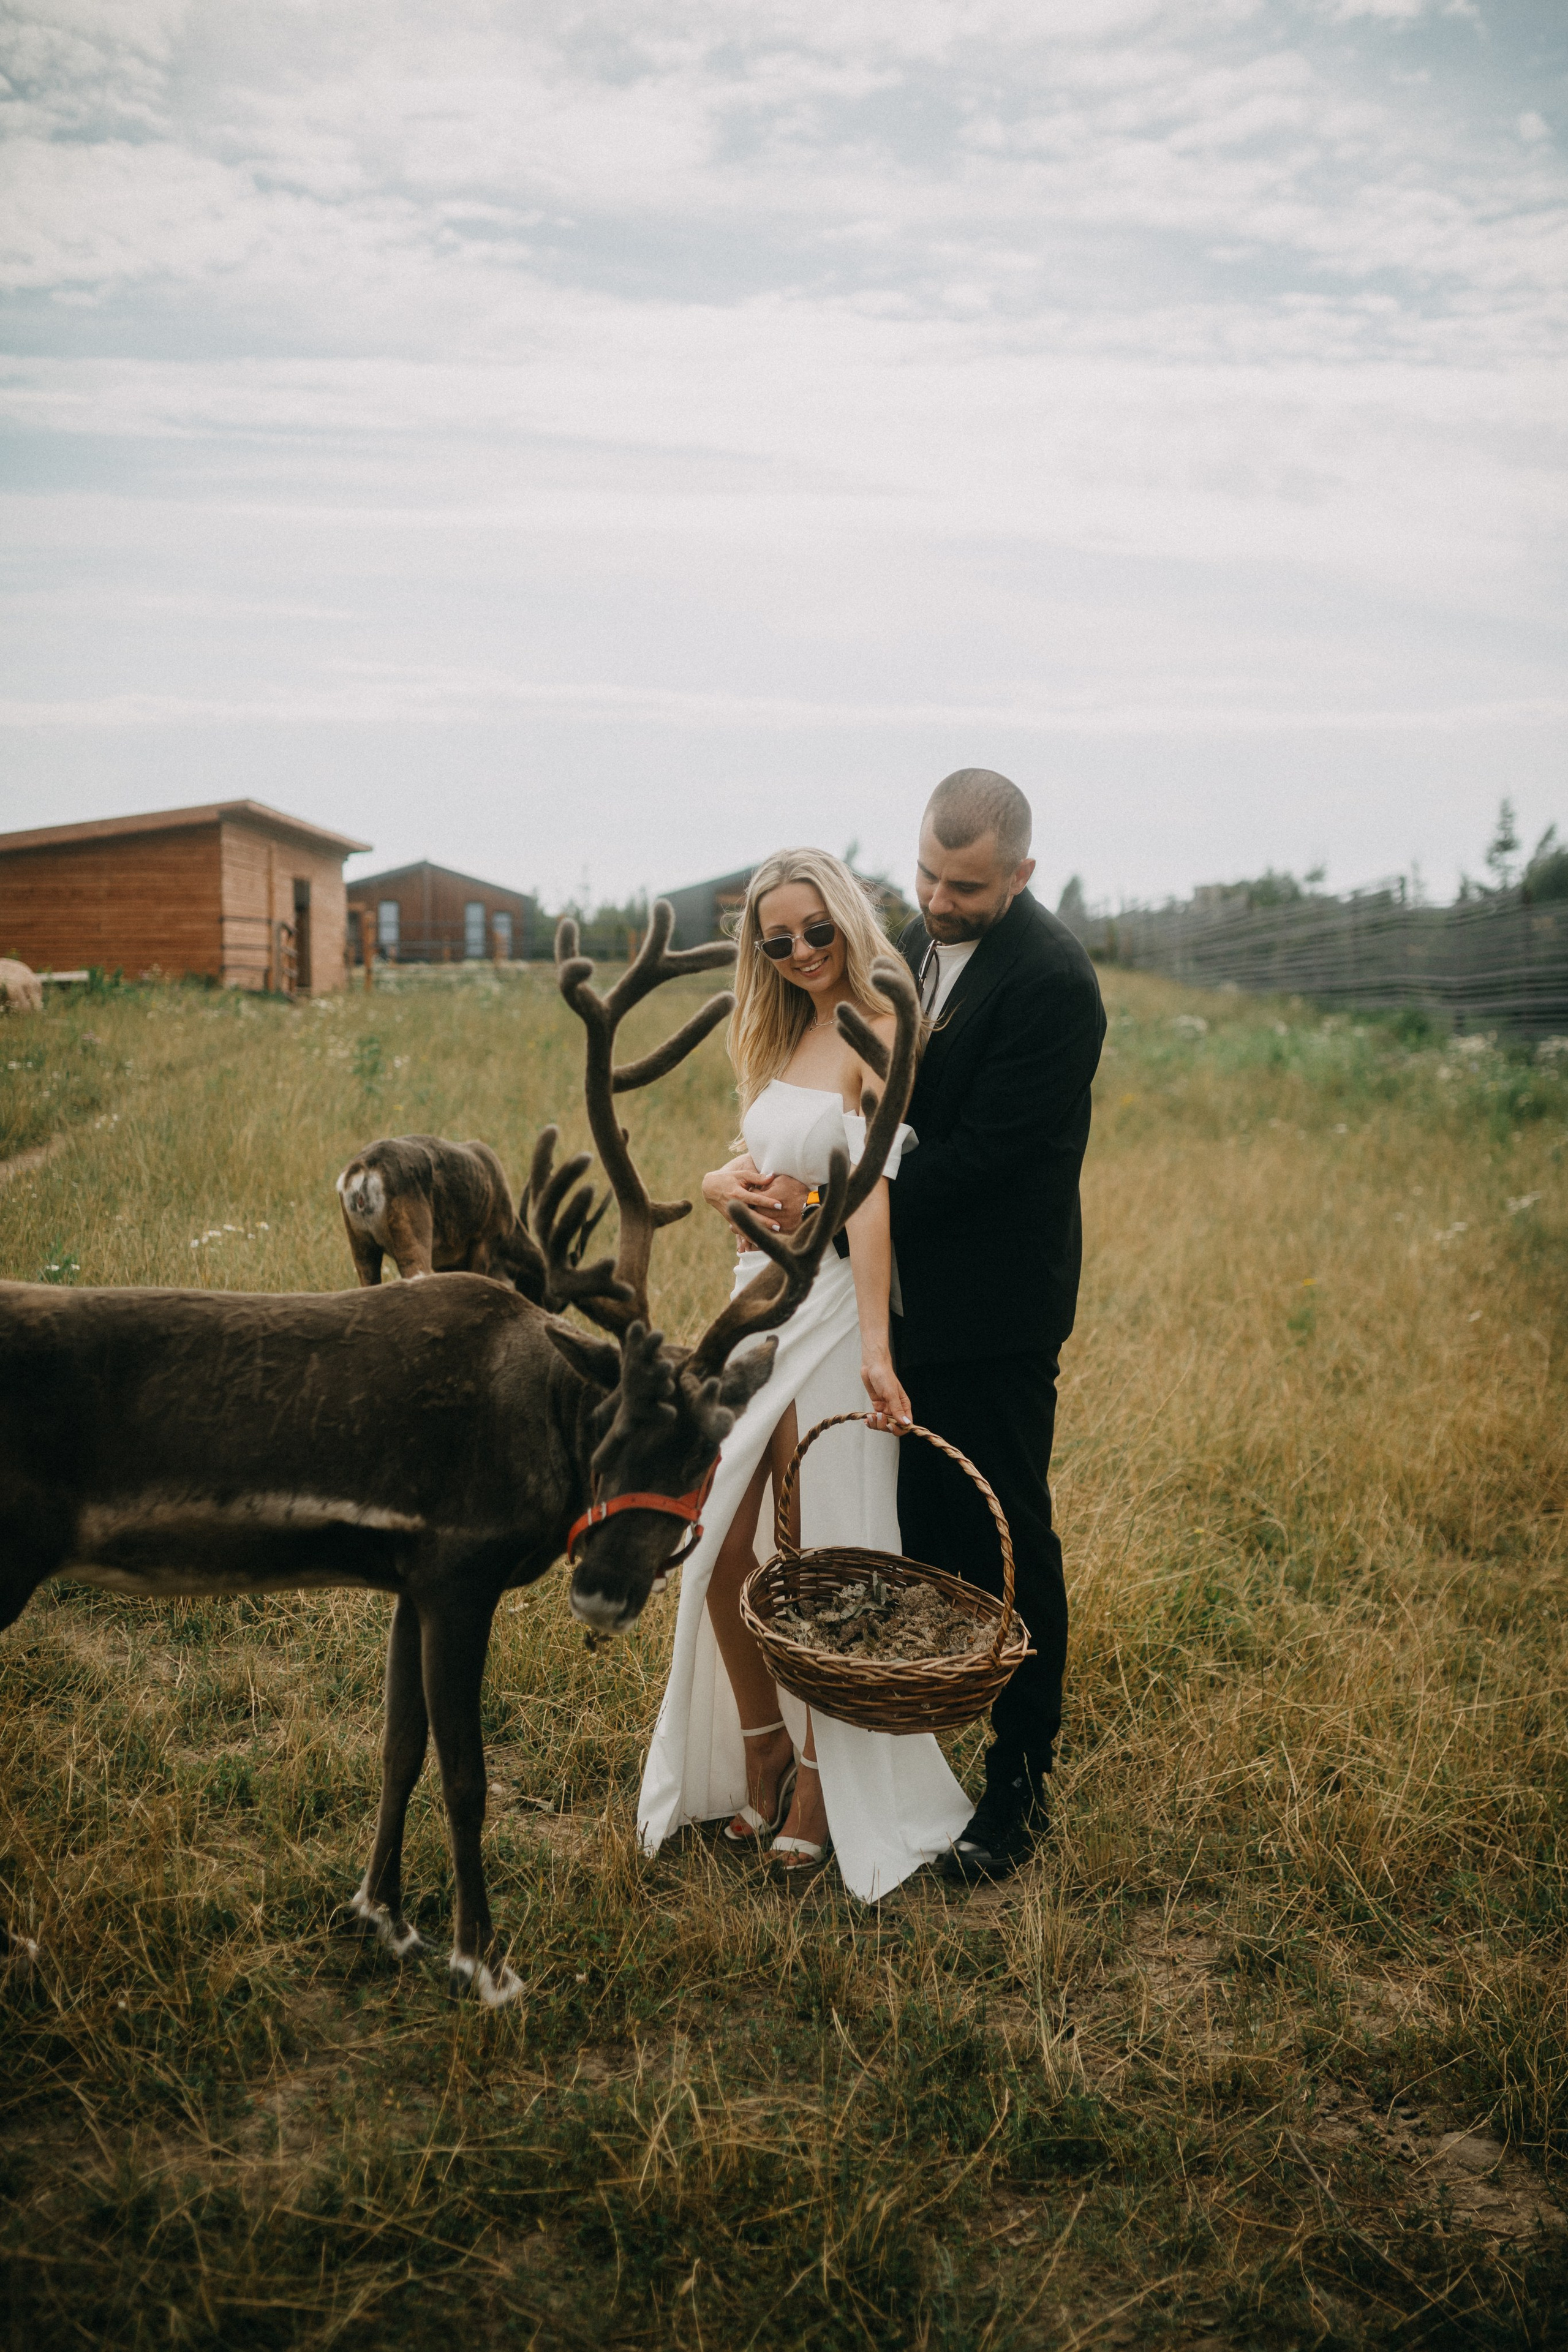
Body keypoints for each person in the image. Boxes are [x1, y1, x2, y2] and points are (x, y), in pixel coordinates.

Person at [712, 771, 1105, 1880]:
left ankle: (1019, 1779)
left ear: (1022, 875)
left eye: (965, 887)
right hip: (880, 1294)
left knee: (1003, 1534)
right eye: (928, 874)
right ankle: (884, 1747)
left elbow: (982, 1162)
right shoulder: (912, 951)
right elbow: (857, 1112)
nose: (937, 899)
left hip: (992, 1309)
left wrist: (822, 1205)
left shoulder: (1054, 984)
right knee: (902, 1535)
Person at [637, 848, 971, 1899]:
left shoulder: (881, 1018)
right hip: (754, 1304)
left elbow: (867, 1193)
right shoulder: (778, 1024)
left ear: (847, 921)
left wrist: (874, 1347)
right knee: (714, 1544)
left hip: (828, 1304)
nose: (800, 953)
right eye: (776, 940)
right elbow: (766, 1159)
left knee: (826, 1550)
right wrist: (717, 1181)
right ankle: (762, 1742)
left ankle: (827, 1781)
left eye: (816, 931)